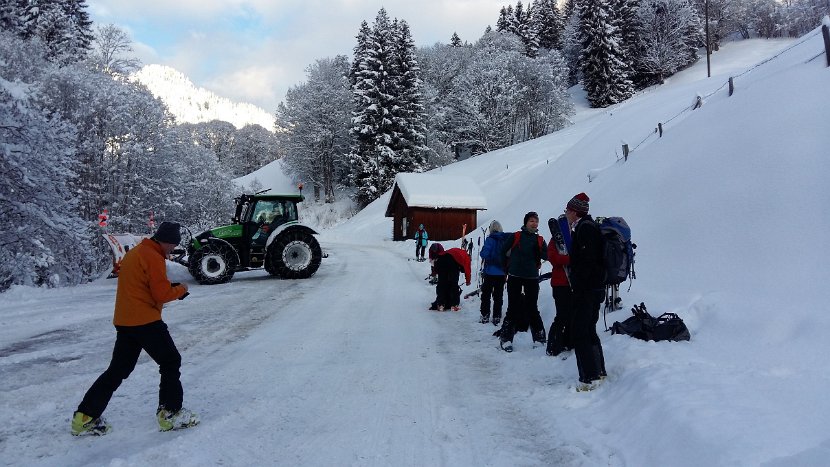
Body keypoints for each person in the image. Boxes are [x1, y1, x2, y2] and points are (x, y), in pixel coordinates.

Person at [71, 221, 198, 435]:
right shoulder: (154, 257)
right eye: (172, 246)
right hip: (145, 321)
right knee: (170, 361)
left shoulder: (137, 252)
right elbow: (160, 294)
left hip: (125, 321)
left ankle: (85, 417)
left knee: (118, 370)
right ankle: (171, 413)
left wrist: (170, 289)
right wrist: (181, 290)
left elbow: (145, 286)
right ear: (167, 241)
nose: (171, 251)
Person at [564, 193, 607, 390]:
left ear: (574, 211)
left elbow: (587, 261)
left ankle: (589, 377)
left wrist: (577, 282)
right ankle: (599, 371)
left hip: (586, 289)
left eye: (567, 210)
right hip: (594, 288)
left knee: (580, 331)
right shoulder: (589, 227)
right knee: (589, 329)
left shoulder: (585, 229)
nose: (566, 214)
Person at [497, 212, 548, 352]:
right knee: (512, 308)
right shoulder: (516, 236)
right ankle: (506, 339)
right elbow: (502, 251)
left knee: (532, 308)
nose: (534, 223)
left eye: (536, 221)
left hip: (532, 277)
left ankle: (539, 339)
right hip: (515, 276)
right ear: (525, 222)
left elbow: (547, 255)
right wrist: (506, 268)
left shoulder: (540, 239)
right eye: (531, 221)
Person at [546, 221, 574, 357]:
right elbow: (552, 258)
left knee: (571, 315)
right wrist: (569, 259)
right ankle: (553, 344)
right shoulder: (555, 241)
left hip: (572, 284)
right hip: (559, 284)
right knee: (562, 315)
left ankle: (567, 342)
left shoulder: (573, 237)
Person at [478, 220, 508, 325]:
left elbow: (484, 254)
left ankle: (485, 315)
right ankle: (497, 316)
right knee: (498, 295)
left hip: (490, 272)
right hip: (502, 272)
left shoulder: (490, 239)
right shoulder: (505, 239)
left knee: (486, 295)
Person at [428, 243, 471, 311]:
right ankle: (454, 304)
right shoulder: (466, 258)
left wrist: (435, 271)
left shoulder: (457, 251)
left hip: (441, 260)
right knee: (454, 284)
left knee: (442, 284)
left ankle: (441, 304)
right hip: (452, 263)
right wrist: (468, 281)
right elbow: (467, 270)